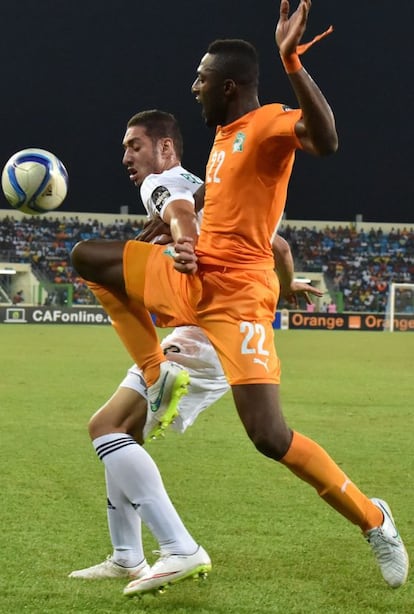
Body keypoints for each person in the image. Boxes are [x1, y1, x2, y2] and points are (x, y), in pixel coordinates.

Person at [71, 0, 409, 596]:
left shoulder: (270, 124)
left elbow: (325, 140)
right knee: (88, 258)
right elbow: (223, 215)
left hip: (234, 300)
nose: (193, 86)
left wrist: (292, 63)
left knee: (269, 437)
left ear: (228, 86)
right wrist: (180, 232)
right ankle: (157, 373)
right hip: (193, 279)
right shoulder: (223, 140)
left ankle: (375, 519)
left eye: (201, 78)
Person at [69, 107, 320, 581]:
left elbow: (180, 212)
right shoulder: (214, 186)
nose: (126, 155)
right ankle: (126, 555)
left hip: (205, 332)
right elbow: (280, 246)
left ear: (166, 148)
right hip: (225, 329)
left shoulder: (161, 185)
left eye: (134, 145)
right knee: (117, 432)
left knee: (108, 430)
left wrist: (182, 242)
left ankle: (179, 548)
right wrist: (287, 286)